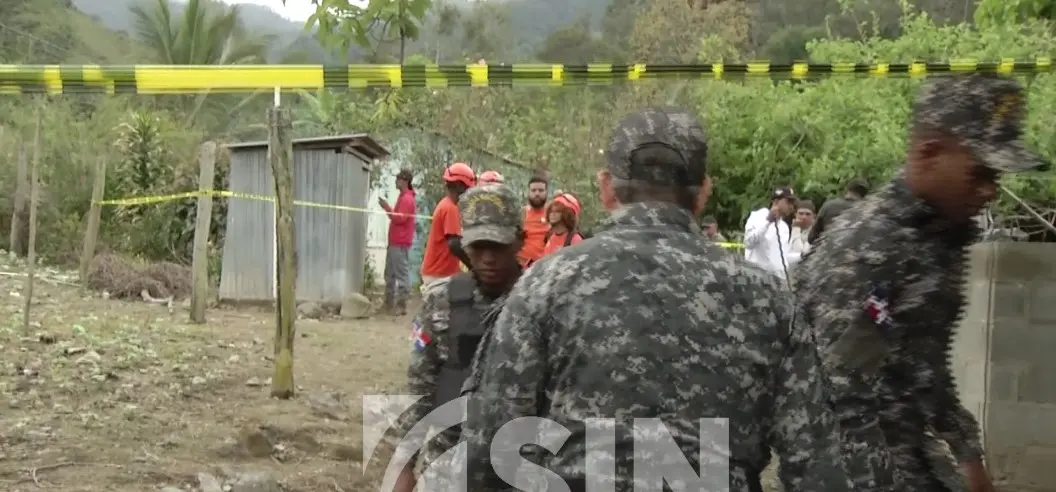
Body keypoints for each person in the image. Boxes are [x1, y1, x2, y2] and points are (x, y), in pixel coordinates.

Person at [459, 107, 851, 492]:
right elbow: (817, 466)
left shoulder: (544, 285)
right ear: (703, 194)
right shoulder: (768, 300)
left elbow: (487, 449)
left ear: (607, 188)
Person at [792, 74, 1048, 492]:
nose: (990, 191)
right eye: (979, 173)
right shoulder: (873, 248)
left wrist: (967, 453)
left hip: (901, 446)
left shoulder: (937, 238)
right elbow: (837, 394)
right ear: (929, 154)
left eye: (996, 177)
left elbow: (922, 363)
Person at [391, 184, 525, 492]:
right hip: (449, 463)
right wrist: (405, 466)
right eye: (479, 248)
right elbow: (421, 390)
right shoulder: (442, 302)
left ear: (519, 241)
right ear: (463, 245)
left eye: (498, 246)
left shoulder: (541, 301)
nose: (488, 258)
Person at [420, 162, 475, 288]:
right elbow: (454, 244)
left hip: (439, 273)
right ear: (458, 185)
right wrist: (474, 267)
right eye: (468, 188)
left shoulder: (447, 205)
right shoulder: (450, 208)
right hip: (438, 275)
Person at [378, 169, 417, 315]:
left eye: (398, 179)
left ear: (404, 181)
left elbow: (400, 218)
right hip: (395, 241)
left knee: (401, 274)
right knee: (390, 273)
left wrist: (386, 207)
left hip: (400, 243)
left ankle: (401, 305)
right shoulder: (403, 197)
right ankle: (388, 303)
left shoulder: (407, 199)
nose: (395, 181)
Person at [743, 187, 797, 279]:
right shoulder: (758, 216)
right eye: (788, 202)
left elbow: (784, 257)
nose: (791, 206)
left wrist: (801, 255)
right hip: (758, 279)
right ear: (776, 201)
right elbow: (748, 243)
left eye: (792, 203)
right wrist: (768, 222)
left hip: (779, 282)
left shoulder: (785, 227)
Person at [808, 178, 868, 245]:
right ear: (865, 195)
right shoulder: (866, 211)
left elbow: (811, 237)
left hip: (828, 249)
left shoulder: (829, 205)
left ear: (847, 190)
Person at [517, 174, 550, 267]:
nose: (537, 194)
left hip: (545, 266)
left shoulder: (553, 213)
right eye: (533, 190)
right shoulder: (521, 214)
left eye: (541, 190)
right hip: (522, 267)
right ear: (528, 192)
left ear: (546, 192)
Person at [541, 192, 584, 258]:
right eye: (551, 211)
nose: (553, 214)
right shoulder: (549, 236)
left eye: (558, 211)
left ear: (567, 214)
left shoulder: (575, 239)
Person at [787, 199, 814, 267]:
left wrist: (796, 228)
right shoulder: (786, 230)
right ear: (795, 214)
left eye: (808, 214)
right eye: (801, 213)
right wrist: (795, 228)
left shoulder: (814, 233)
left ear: (813, 216)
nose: (804, 217)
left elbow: (799, 251)